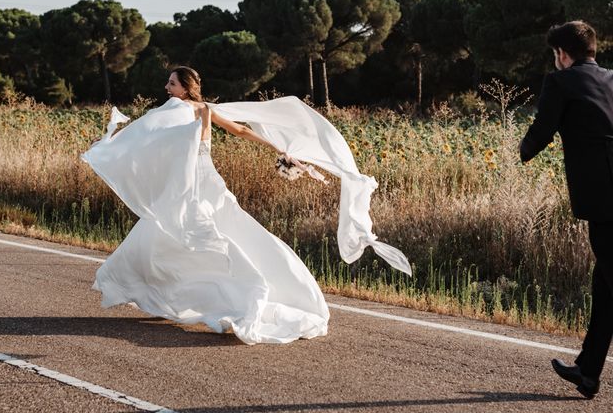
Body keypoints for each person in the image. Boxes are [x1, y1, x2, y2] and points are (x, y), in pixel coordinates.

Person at [82, 66, 411, 345]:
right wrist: (112, 145)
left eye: (172, 83)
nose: (166, 87)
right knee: (165, 236)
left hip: (200, 181)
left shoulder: (192, 110)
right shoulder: (187, 111)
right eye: (168, 83)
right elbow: (152, 138)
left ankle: (243, 292)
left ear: (185, 87)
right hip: (190, 182)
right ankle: (180, 294)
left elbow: (233, 130)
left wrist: (281, 148)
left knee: (206, 234)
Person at [520, 21, 613, 398]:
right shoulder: (611, 78)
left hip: (603, 199)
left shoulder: (559, 82)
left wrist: (524, 150)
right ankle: (588, 372)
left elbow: (543, 128)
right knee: (605, 287)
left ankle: (589, 371)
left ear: (562, 54)